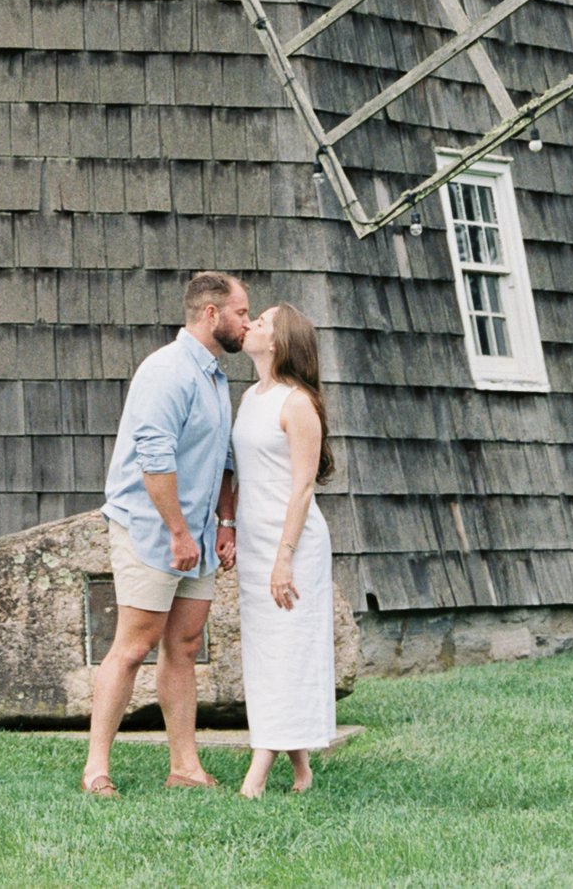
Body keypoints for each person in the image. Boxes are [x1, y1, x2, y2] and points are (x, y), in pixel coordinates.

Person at [81, 271, 251, 798]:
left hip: (197, 535)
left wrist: (224, 523)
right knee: (133, 648)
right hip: (153, 533)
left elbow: (222, 458)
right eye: (242, 313)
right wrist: (179, 532)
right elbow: (154, 461)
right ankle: (96, 770)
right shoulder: (167, 371)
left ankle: (185, 767)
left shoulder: (216, 377)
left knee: (183, 645)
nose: (248, 322)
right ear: (211, 314)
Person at [229, 300, 337, 798]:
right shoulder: (251, 397)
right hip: (254, 544)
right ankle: (302, 768)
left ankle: (258, 771)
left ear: (279, 341)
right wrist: (230, 527)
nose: (251, 324)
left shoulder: (298, 403)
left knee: (288, 650)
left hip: (291, 546)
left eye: (263, 321)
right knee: (268, 652)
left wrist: (284, 556)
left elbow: (302, 487)